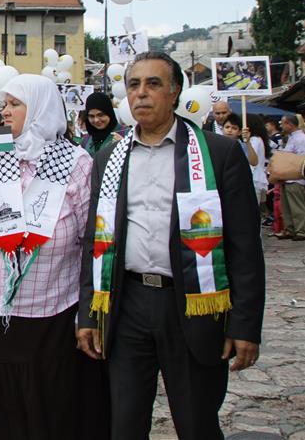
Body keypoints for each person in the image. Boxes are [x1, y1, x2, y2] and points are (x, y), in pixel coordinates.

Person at [78, 52, 265, 440]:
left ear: (175, 91)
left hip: (192, 305)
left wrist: (246, 324)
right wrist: (88, 314)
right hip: (127, 305)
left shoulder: (218, 154)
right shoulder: (109, 158)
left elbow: (245, 246)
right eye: (134, 85)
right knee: (125, 424)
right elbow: (95, 241)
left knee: (196, 424)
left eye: (153, 84)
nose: (141, 93)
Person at [0, 74, 100, 440]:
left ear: (39, 109)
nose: (5, 111)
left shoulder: (77, 162)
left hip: (47, 308)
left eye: (15, 104)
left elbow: (90, 238)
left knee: (43, 400)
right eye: (5, 104)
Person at [276, 114, 305, 240]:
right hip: (286, 177)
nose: (281, 126)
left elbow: (302, 159)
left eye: (283, 123)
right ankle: (290, 229)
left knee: (296, 206)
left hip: (296, 177)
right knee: (287, 207)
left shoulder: (301, 138)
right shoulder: (291, 138)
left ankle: (301, 230)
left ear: (290, 124)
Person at [80, 91, 125, 157]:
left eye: (100, 115)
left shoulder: (126, 134)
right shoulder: (85, 141)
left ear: (109, 113)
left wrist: (124, 147)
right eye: (91, 116)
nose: (96, 120)